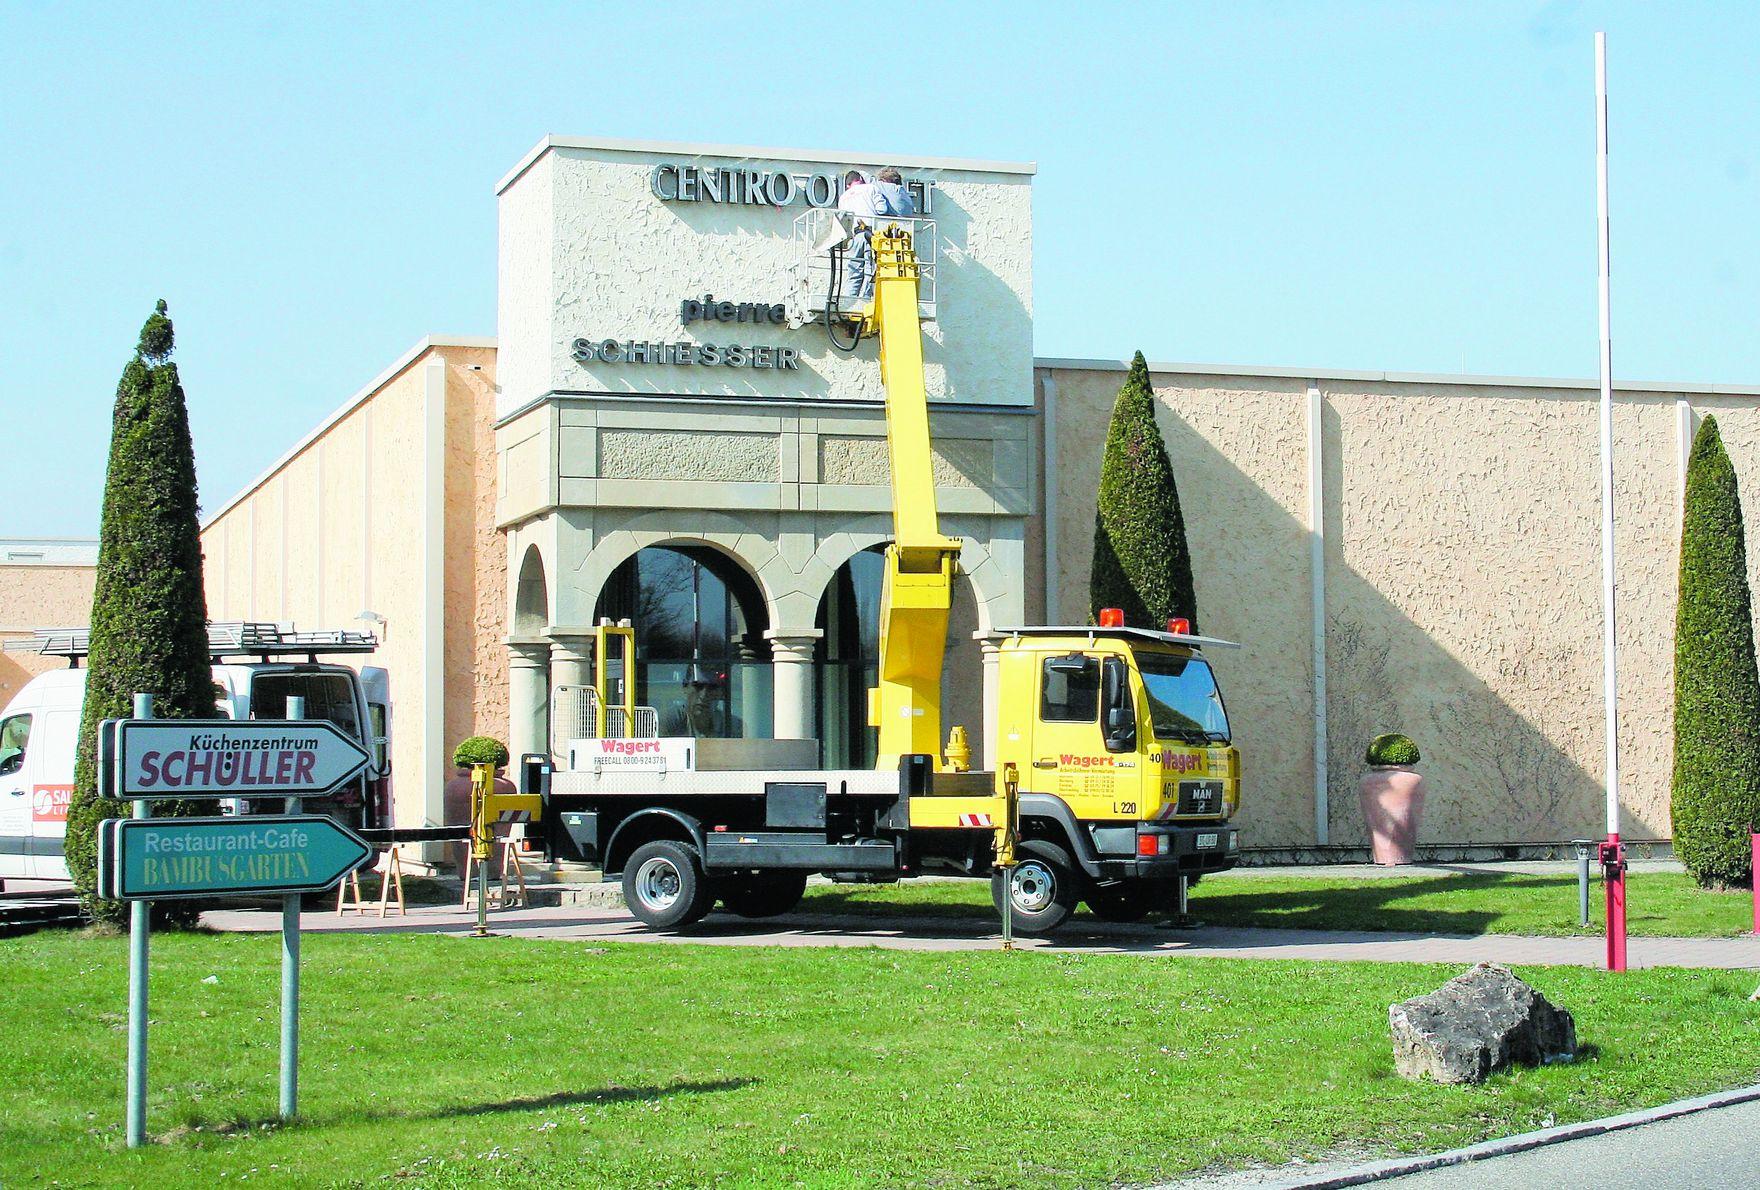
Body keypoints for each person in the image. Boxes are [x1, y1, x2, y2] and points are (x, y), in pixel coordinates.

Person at [837, 169, 880, 301]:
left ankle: (850, 298)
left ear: (848, 185)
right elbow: (881, 209)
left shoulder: (843, 197)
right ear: (860, 180)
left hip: (855, 236)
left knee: (854, 270)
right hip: (870, 233)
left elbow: (843, 222)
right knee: (870, 268)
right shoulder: (871, 188)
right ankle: (866, 298)